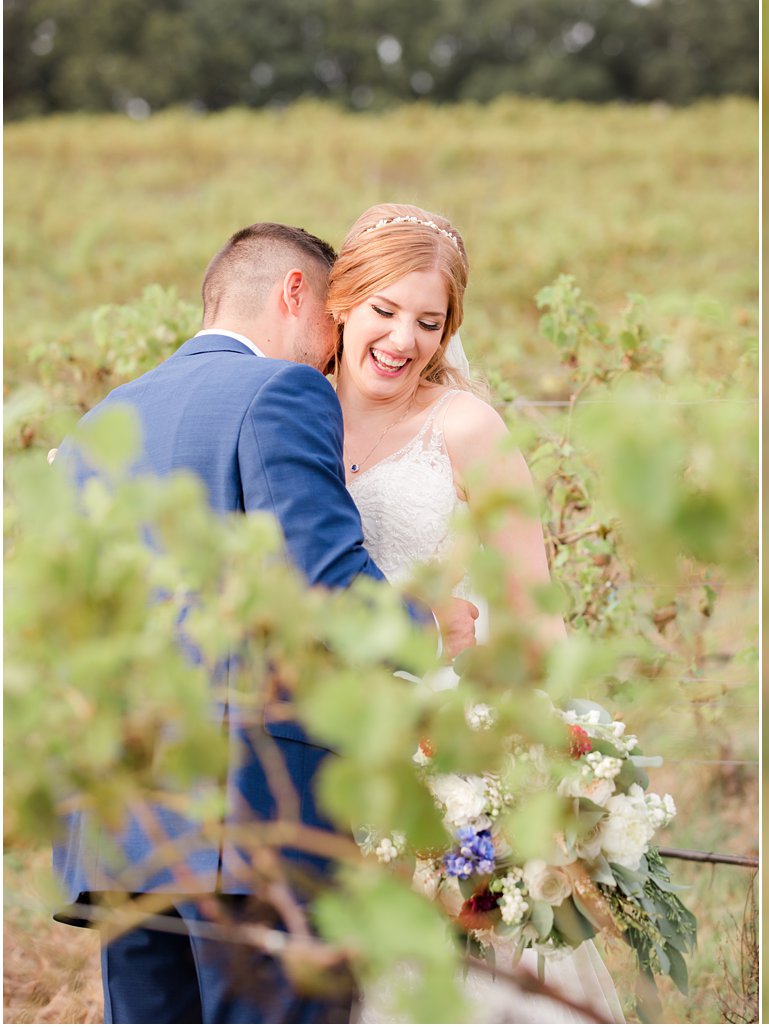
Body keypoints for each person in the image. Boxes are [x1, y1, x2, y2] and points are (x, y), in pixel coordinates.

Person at [51, 222, 472, 1023]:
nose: (331, 352)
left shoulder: (97, 422)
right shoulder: (281, 391)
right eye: (336, 318)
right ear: (295, 294)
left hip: (119, 826)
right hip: (253, 823)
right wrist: (436, 628)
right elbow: (324, 582)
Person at [328, 203, 625, 1024]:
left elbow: (534, 609)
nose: (403, 339)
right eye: (385, 309)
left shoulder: (465, 427)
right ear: (342, 299)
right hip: (326, 743)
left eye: (429, 321)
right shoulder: (292, 412)